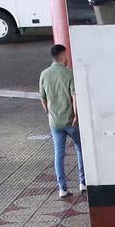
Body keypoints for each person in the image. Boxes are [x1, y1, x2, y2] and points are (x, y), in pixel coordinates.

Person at [37, 43, 84, 199]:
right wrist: (76, 115)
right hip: (70, 121)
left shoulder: (44, 74)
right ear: (62, 56)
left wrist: (50, 113)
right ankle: (82, 182)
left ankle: (62, 188)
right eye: (66, 55)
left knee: (59, 154)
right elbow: (74, 97)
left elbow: (43, 99)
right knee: (80, 148)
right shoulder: (68, 74)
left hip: (54, 121)